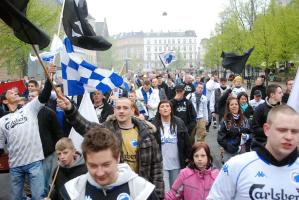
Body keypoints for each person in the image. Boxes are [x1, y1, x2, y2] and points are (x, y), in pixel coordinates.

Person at [57, 97, 164, 199]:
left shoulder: (146, 134)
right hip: (114, 188)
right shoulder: (106, 130)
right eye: (118, 108)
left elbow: (157, 166)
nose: (121, 111)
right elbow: (84, 126)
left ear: (132, 110)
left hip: (139, 191)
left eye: (125, 108)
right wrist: (70, 109)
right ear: (114, 110)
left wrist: (157, 194)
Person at [207, 105, 299, 200]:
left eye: (295, 131)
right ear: (266, 129)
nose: (289, 136)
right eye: (282, 130)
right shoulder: (236, 165)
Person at [0, 65, 56, 200]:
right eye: (11, 93)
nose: (16, 92)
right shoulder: (2, 121)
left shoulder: (29, 108)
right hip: (15, 166)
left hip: (34, 162)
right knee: (15, 198)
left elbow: (44, 95)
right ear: (5, 101)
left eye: (16, 92)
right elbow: (0, 146)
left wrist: (49, 76)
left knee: (38, 196)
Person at [58, 127, 159, 199]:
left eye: (106, 165)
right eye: (93, 166)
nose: (100, 173)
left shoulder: (142, 190)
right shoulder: (72, 191)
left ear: (118, 158)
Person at [151, 100, 191, 193]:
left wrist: (188, 157)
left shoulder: (179, 122)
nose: (165, 108)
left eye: (167, 106)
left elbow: (187, 142)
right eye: (162, 106)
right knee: (166, 192)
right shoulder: (153, 124)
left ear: (171, 109)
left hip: (177, 163)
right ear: (159, 110)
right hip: (161, 164)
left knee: (176, 191)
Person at [217, 96, 251, 163]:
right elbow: (220, 139)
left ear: (239, 106)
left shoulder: (245, 119)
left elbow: (252, 133)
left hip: (244, 150)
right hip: (230, 151)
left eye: (236, 104)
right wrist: (231, 147)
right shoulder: (225, 121)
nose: (234, 106)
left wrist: (247, 136)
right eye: (231, 105)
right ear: (228, 107)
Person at [251, 84, 283, 149]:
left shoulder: (283, 109)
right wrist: (271, 131)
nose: (282, 94)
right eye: (280, 93)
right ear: (272, 95)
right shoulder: (260, 109)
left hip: (279, 144)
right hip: (262, 144)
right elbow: (255, 128)